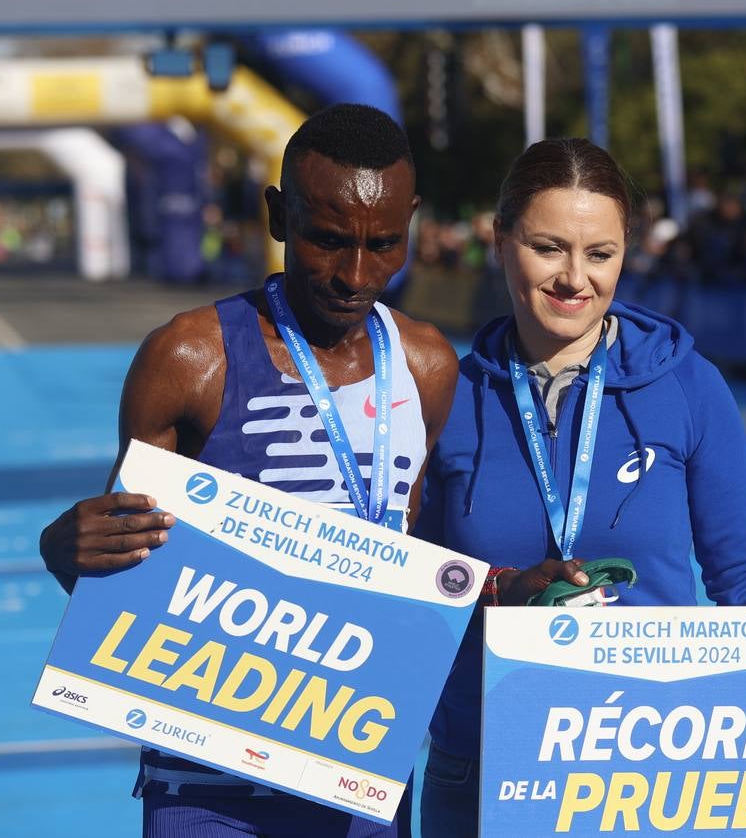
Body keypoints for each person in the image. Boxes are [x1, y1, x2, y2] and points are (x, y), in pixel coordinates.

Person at [412, 138, 746, 836]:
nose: (575, 278)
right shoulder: (444, 395)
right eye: (548, 247)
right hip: (482, 768)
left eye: (600, 254)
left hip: (643, 767)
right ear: (501, 240)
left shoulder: (686, 386)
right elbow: (408, 581)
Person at [38, 104, 458, 837]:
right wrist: (67, 550)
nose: (355, 275)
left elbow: (418, 557)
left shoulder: (426, 366)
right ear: (276, 215)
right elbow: (122, 568)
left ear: (412, 222)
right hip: (208, 788)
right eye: (327, 240)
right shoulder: (191, 358)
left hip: (359, 776)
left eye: (385, 244)